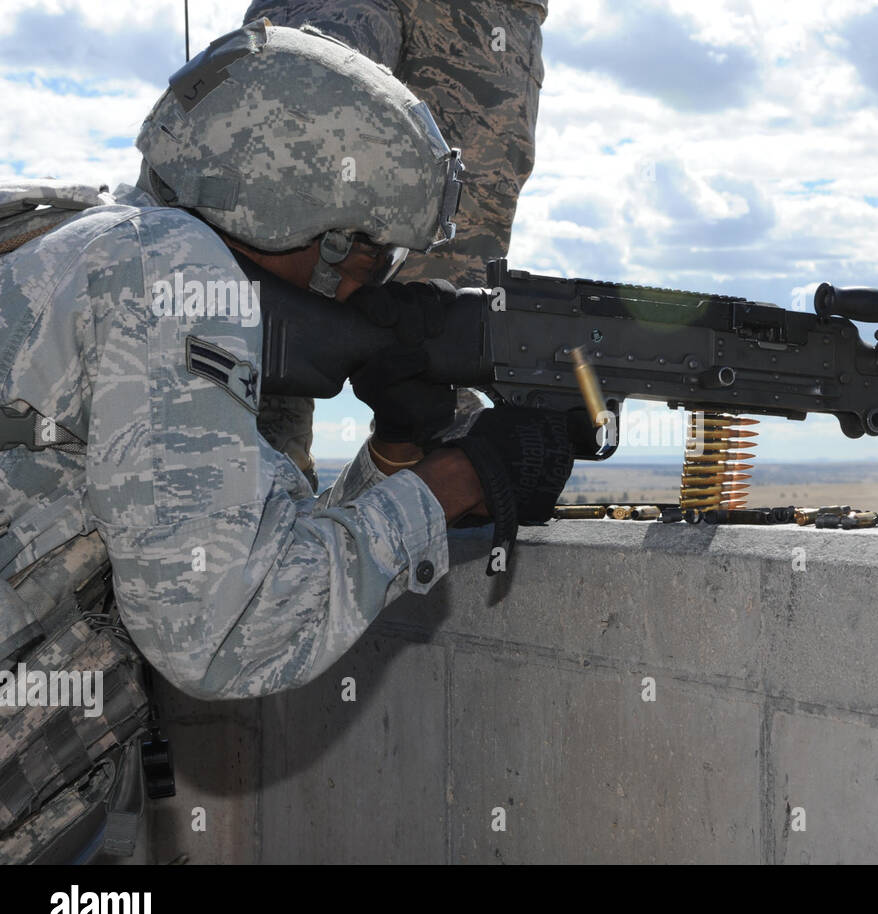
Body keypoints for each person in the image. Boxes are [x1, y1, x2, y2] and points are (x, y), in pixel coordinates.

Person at [0, 19, 572, 862]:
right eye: (370, 256)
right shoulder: (173, 272)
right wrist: (458, 481)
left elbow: (250, 544)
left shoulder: (99, 242)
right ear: (312, 220)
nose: (361, 285)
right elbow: (228, 629)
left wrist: (401, 447)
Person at [242, 0, 548, 490]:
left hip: (485, 16)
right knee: (278, 183)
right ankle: (242, 491)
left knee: (440, 322)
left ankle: (425, 482)